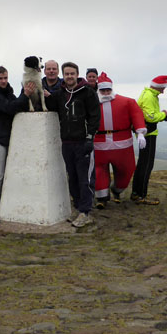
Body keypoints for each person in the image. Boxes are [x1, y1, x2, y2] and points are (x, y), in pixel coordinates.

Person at [44, 61, 100, 228]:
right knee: (73, 178)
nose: (69, 76)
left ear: (77, 74)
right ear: (64, 75)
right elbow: (50, 105)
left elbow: (94, 117)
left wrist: (90, 137)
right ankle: (78, 208)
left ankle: (86, 212)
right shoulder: (60, 93)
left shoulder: (88, 92)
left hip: (83, 142)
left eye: (72, 74)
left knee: (85, 179)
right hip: (67, 142)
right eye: (66, 74)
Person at [0, 66, 33, 223]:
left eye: (5, 78)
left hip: (9, 138)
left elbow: (19, 105)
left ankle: (2, 203)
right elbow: (11, 108)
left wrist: (24, 97)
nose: (4, 81)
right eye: (0, 78)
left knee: (7, 173)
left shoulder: (7, 92)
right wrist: (25, 95)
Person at [93, 72, 147, 208]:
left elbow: (137, 115)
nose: (105, 92)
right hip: (99, 144)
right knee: (98, 171)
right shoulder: (91, 103)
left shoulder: (127, 102)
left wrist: (140, 132)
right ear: (98, 90)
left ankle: (117, 189)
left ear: (111, 89)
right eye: (102, 90)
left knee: (126, 169)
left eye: (108, 90)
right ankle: (102, 198)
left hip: (122, 144)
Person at [131, 75, 167, 205]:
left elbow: (148, 114)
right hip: (148, 133)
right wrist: (164, 115)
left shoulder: (147, 94)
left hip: (144, 132)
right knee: (147, 165)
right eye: (163, 88)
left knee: (142, 164)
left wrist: (163, 116)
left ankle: (136, 193)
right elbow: (150, 117)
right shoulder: (150, 96)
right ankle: (141, 195)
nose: (163, 91)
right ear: (158, 86)